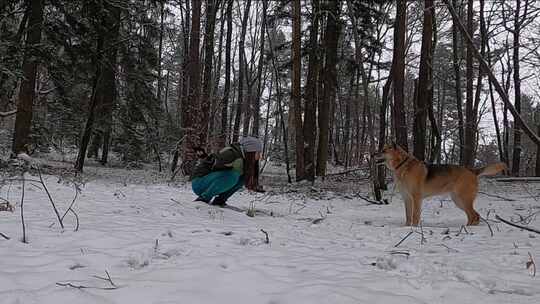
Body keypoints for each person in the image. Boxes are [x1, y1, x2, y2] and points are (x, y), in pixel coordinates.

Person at [191, 136, 263, 206]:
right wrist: (226, 165)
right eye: (258, 153)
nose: (259, 156)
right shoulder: (231, 153)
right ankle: (203, 199)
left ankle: (220, 200)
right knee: (233, 175)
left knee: (242, 178)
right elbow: (211, 163)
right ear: (251, 151)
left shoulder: (244, 159)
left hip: (210, 182)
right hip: (199, 183)